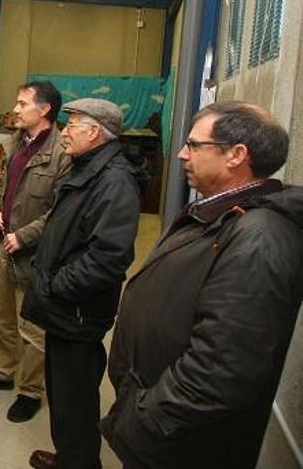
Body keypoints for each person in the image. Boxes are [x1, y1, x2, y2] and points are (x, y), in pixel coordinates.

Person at [100, 102, 303, 469]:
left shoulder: (259, 239)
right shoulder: (223, 213)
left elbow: (223, 369)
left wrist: (144, 418)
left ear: (236, 155)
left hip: (178, 442)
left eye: (194, 145)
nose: (181, 154)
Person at [20, 98, 143, 469]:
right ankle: (71, 457)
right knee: (65, 395)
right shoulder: (90, 169)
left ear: (94, 132)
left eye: (72, 124)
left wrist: (56, 286)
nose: (65, 131)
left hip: (76, 311)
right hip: (66, 310)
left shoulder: (114, 181)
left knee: (75, 397)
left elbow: (108, 258)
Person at [0, 81, 71, 425]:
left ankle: (29, 391)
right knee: (0, 315)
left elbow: (60, 210)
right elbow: (1, 184)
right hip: (2, 245)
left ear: (44, 110)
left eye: (23, 103)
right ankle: (2, 371)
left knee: (33, 328)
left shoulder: (62, 154)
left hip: (34, 254)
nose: (16, 108)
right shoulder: (15, 143)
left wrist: (24, 237)